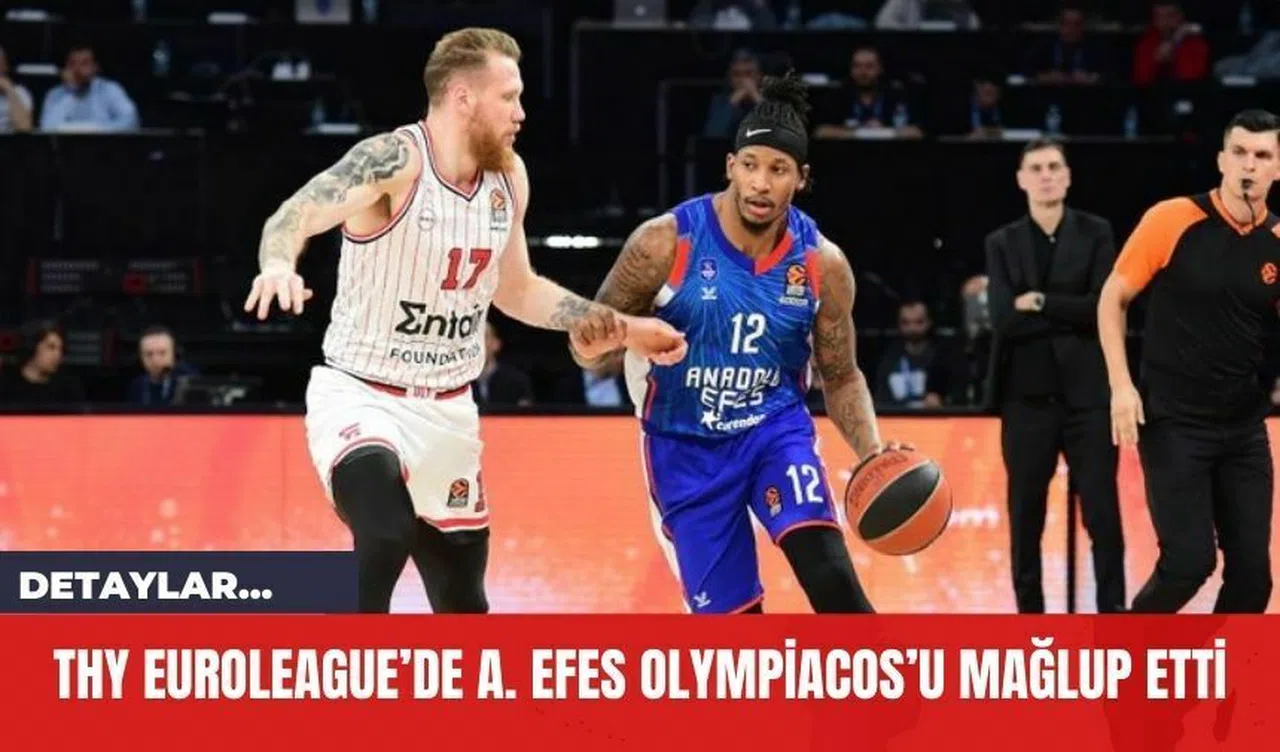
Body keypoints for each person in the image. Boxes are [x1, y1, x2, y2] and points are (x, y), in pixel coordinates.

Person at [242, 27, 687, 614]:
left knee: (463, 603)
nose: (521, 113)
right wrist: (277, 265)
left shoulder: (509, 178)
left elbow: (518, 290)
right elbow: (294, 213)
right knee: (385, 533)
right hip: (362, 395)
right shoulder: (395, 160)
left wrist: (623, 328)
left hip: (449, 412)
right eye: (509, 97)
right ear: (462, 98)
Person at [580, 72, 905, 614]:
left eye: (778, 170)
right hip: (684, 445)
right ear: (730, 166)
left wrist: (871, 450)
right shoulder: (663, 243)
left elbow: (841, 374)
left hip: (773, 431)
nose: (760, 183)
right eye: (750, 165)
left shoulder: (822, 263)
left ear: (801, 178)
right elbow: (585, 351)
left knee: (830, 574)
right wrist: (630, 334)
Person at [1099, 109, 1280, 613]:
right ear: (1221, 160)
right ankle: (1122, 654)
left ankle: (1214, 664)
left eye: (1261, 155)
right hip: (1174, 423)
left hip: (1243, 429)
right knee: (1188, 564)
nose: (1248, 165)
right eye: (1239, 152)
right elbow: (1113, 298)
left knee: (1253, 581)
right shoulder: (1172, 218)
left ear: (1277, 168)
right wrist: (1120, 386)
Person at [986, 137, 1125, 614]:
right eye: (1036, 168)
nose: (1046, 175)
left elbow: (1102, 307)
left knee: (1103, 519)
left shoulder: (1096, 232)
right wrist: (1071, 312)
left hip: (1089, 401)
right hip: (1025, 402)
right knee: (1025, 521)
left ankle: (1114, 626)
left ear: (1067, 176)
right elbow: (1004, 318)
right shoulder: (1002, 242)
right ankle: (1032, 628)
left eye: (1053, 167)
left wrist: (1041, 301)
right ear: (1021, 179)